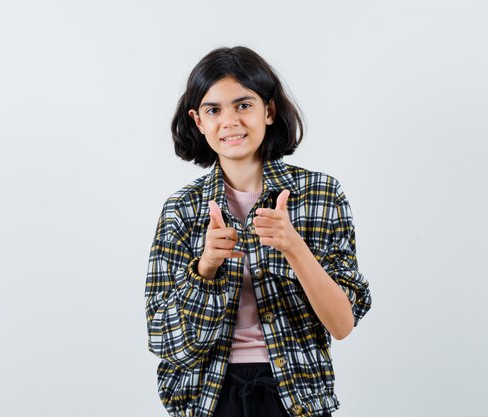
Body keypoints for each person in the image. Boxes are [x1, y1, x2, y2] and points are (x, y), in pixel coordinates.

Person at [144, 46, 372, 417]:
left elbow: (342, 324)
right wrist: (204, 271)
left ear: (269, 110)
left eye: (243, 105)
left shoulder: (320, 194)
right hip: (206, 398)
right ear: (198, 121)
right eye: (213, 110)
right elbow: (165, 342)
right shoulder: (181, 210)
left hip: (295, 396)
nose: (230, 121)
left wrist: (294, 246)